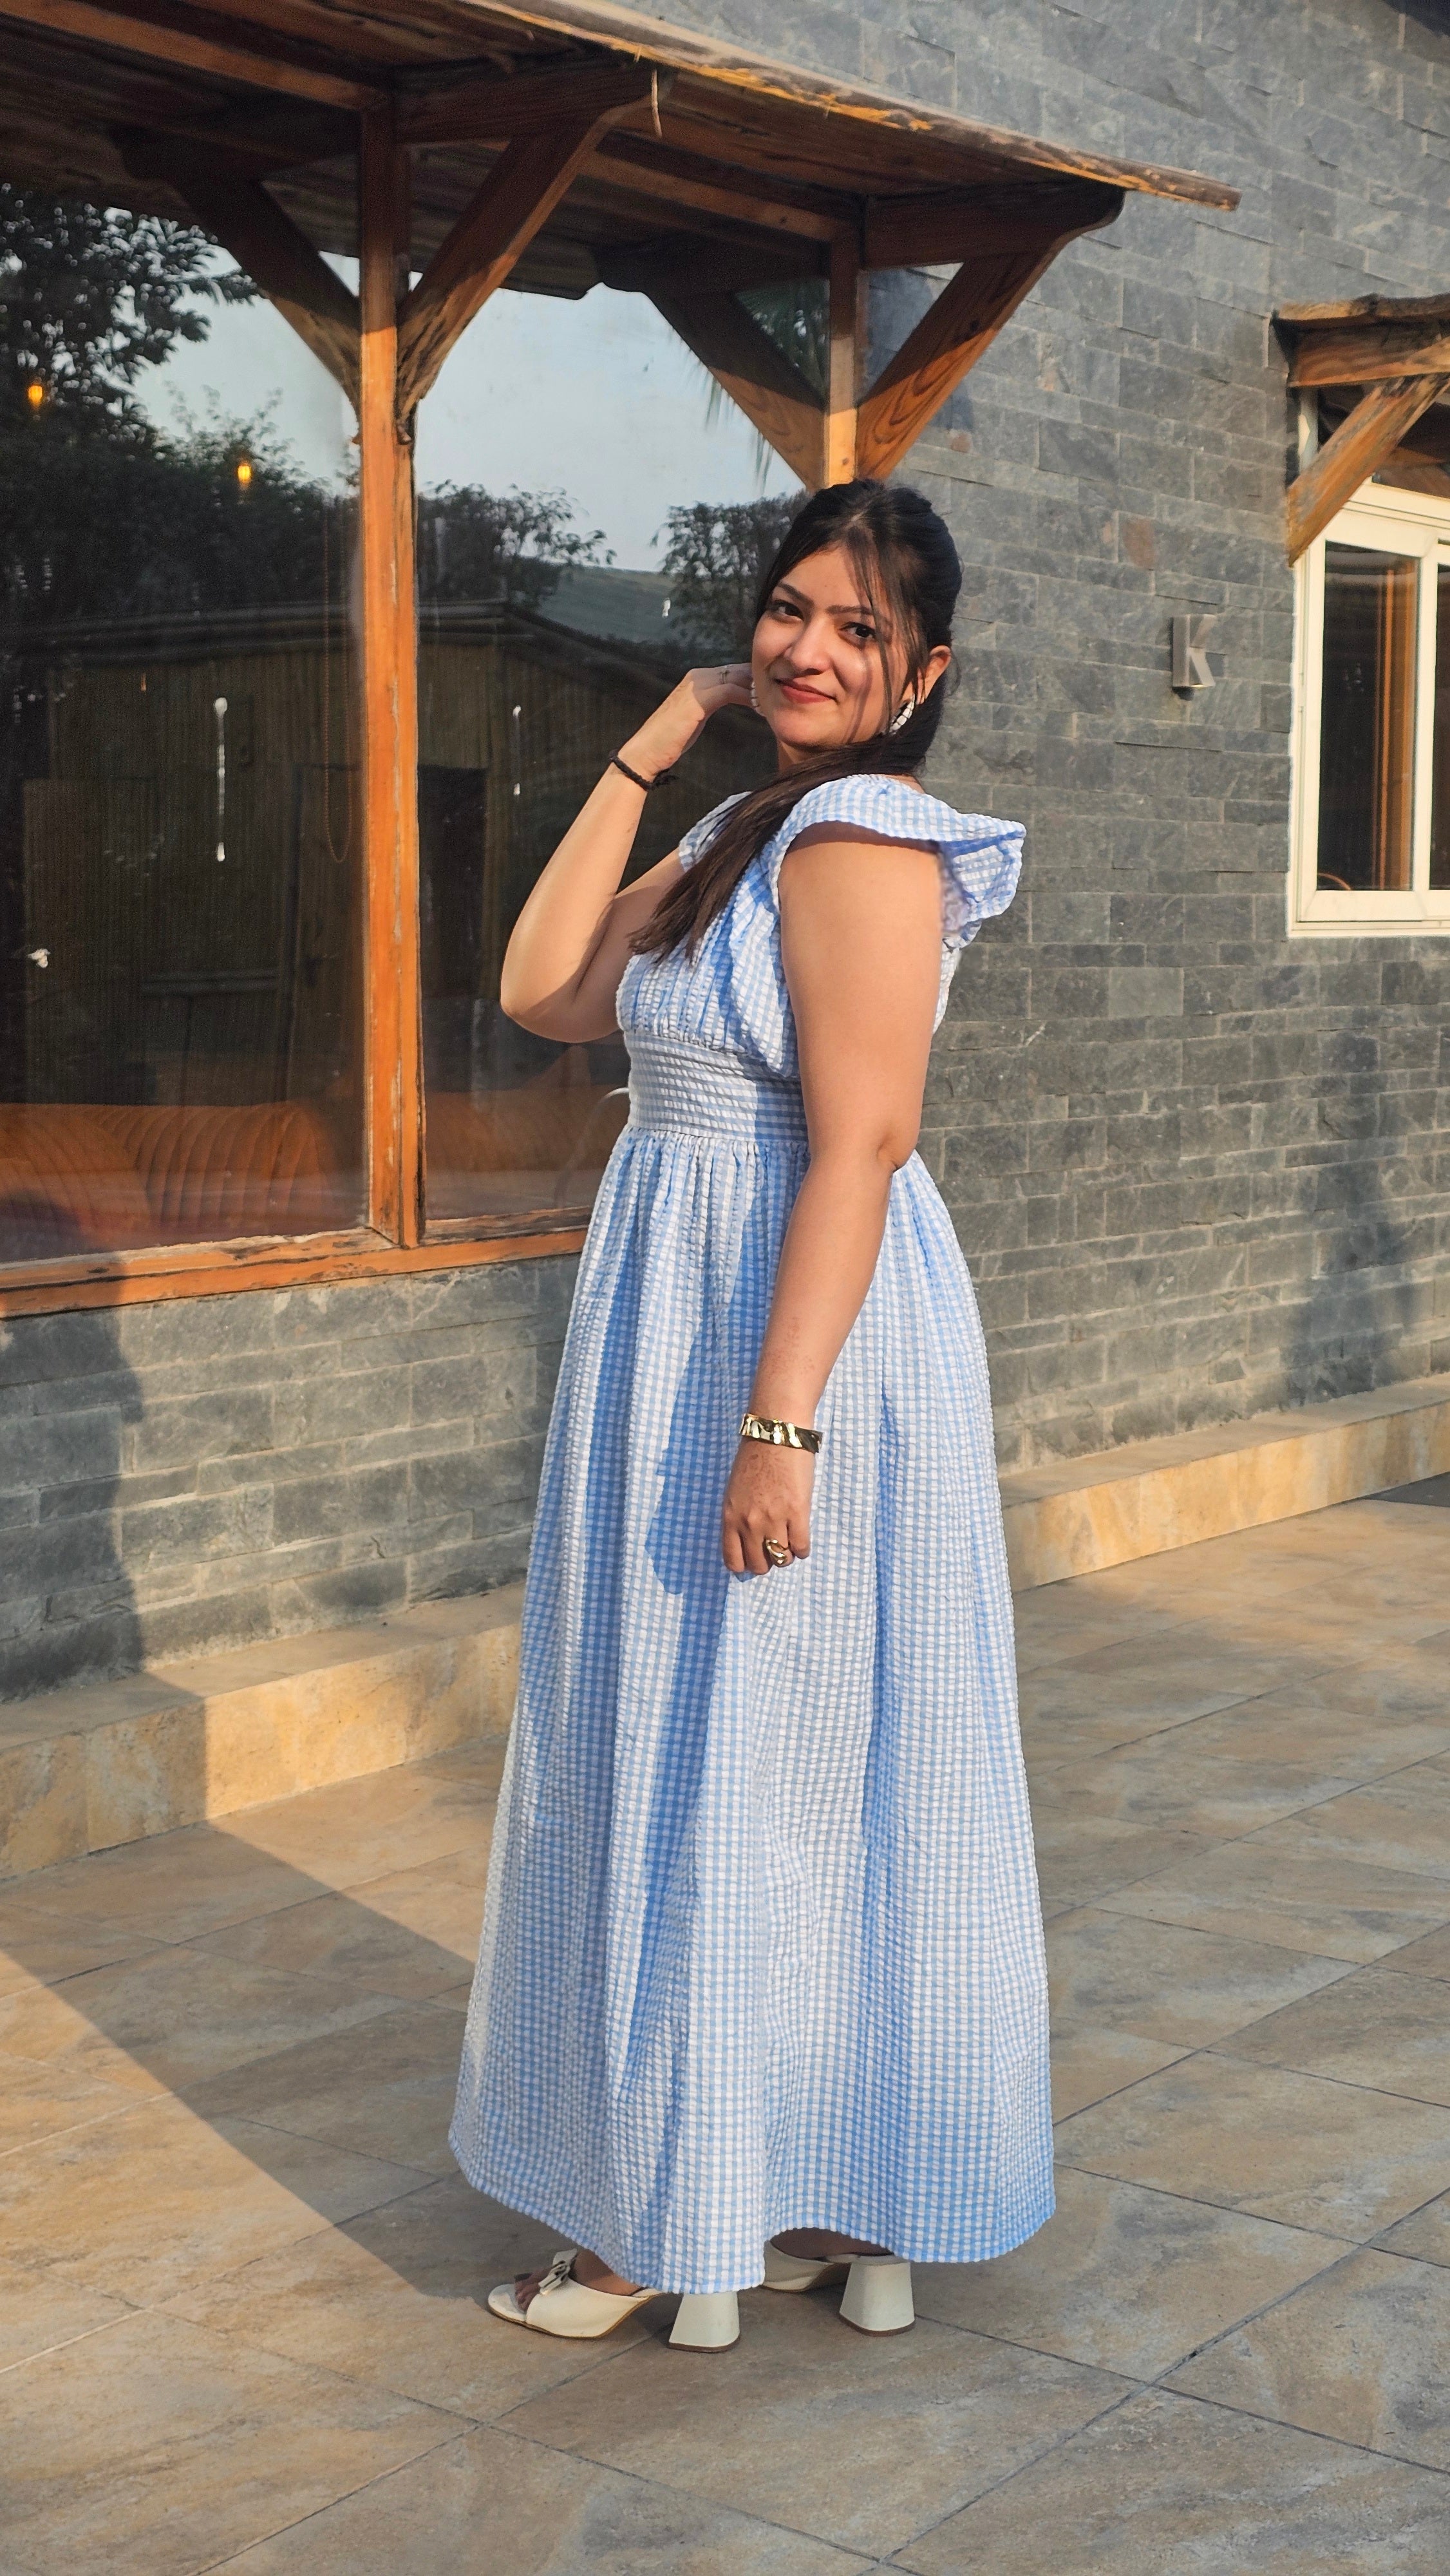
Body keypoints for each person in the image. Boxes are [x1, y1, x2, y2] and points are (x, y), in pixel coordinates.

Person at [450, 478, 1053, 2353]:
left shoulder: (863, 838)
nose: (807, 648)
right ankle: (774, 2195)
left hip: (791, 1337)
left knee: (755, 1752)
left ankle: (688, 2222)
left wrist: (781, 1426)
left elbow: (862, 1140)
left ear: (922, 674)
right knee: (740, 1752)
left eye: (859, 630)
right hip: (690, 1316)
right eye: (790, 609)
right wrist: (652, 743)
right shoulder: (747, 824)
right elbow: (546, 992)